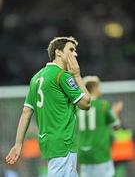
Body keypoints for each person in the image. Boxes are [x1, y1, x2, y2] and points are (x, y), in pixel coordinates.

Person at [5, 36, 90, 177]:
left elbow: (26, 112)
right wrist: (77, 75)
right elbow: (86, 103)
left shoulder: (36, 78)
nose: (75, 54)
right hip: (64, 142)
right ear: (58, 52)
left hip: (48, 142)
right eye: (71, 49)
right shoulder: (62, 76)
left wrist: (18, 144)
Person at [77, 75, 123, 177]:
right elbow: (116, 126)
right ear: (94, 88)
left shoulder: (78, 107)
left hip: (83, 153)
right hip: (100, 152)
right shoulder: (103, 105)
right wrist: (116, 113)